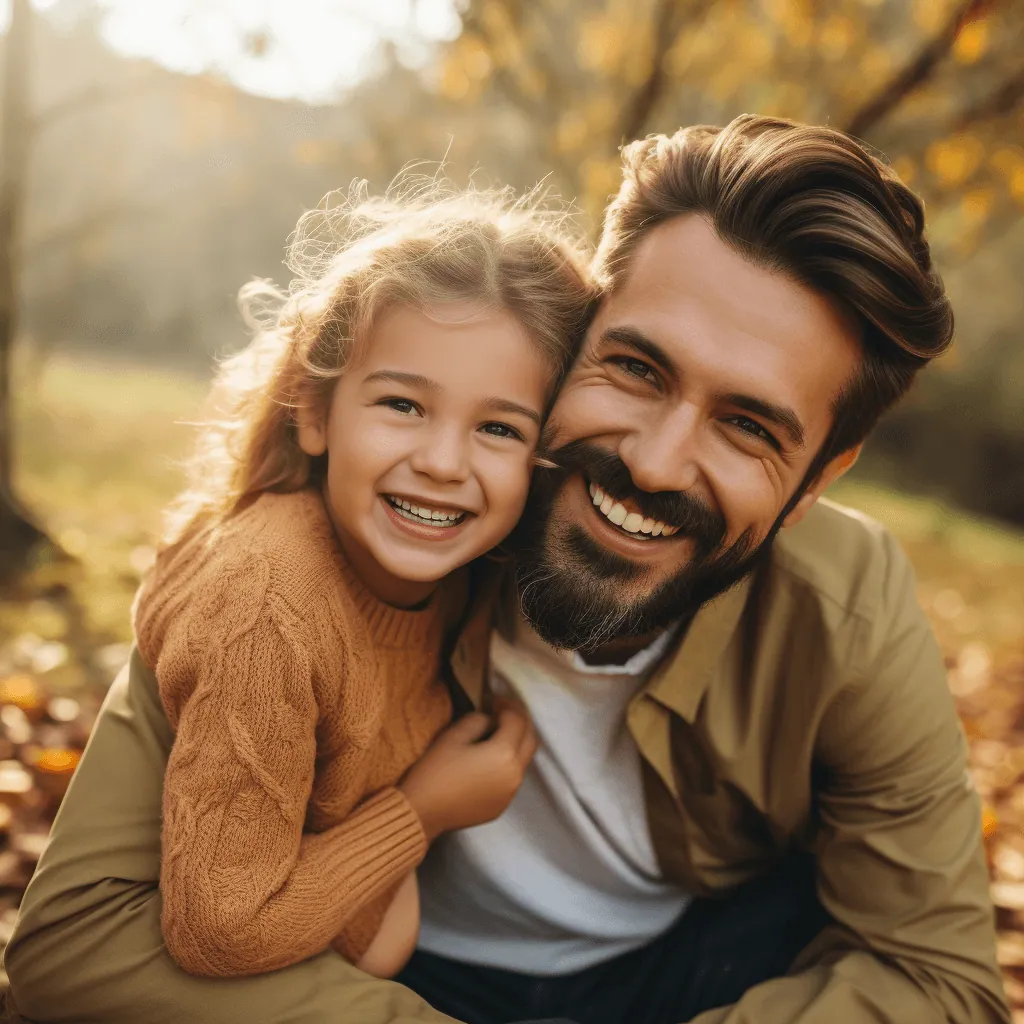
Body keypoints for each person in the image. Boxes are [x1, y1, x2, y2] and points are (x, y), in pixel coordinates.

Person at [4, 116, 1010, 1024]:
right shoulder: (329, 547)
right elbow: (75, 946)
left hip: (680, 976)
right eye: (636, 367)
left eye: (747, 427)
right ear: (576, 330)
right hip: (376, 977)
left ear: (819, 477)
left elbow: (941, 979)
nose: (655, 462)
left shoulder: (844, 607)